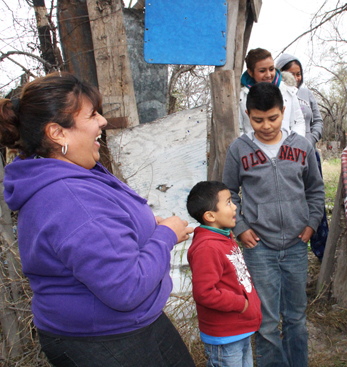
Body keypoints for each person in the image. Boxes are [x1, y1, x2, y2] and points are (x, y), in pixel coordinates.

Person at [0, 73, 195, 367]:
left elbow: (101, 234)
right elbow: (126, 287)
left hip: (128, 327)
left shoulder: (71, 170)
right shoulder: (70, 198)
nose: (103, 121)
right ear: (58, 133)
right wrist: (165, 235)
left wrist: (144, 226)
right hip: (105, 341)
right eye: (92, 114)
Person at [223, 82, 325, 367]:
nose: (266, 126)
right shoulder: (238, 150)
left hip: (295, 244)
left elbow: (315, 190)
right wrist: (240, 227)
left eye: (273, 118)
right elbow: (228, 193)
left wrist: (311, 224)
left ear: (283, 111)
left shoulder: (301, 147)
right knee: (266, 322)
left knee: (296, 318)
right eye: (257, 119)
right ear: (247, 114)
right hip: (259, 249)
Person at [186, 180, 262, 367]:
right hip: (225, 336)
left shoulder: (224, 238)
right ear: (210, 216)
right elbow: (204, 293)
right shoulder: (207, 247)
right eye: (228, 202)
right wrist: (240, 303)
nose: (235, 206)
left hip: (238, 329)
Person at [276, 53, 328, 260]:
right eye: (291, 74)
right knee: (291, 201)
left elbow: (318, 121)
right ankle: (291, 250)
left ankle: (322, 251)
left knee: (316, 201)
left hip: (310, 154)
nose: (296, 78)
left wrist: (310, 141)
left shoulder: (307, 94)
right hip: (286, 157)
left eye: (299, 74)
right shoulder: (276, 92)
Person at [239, 48, 306, 137]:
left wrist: (292, 145)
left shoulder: (288, 91)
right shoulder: (241, 97)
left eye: (271, 69)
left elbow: (298, 122)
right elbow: (238, 128)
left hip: (287, 148)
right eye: (262, 71)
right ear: (251, 72)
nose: (268, 75)